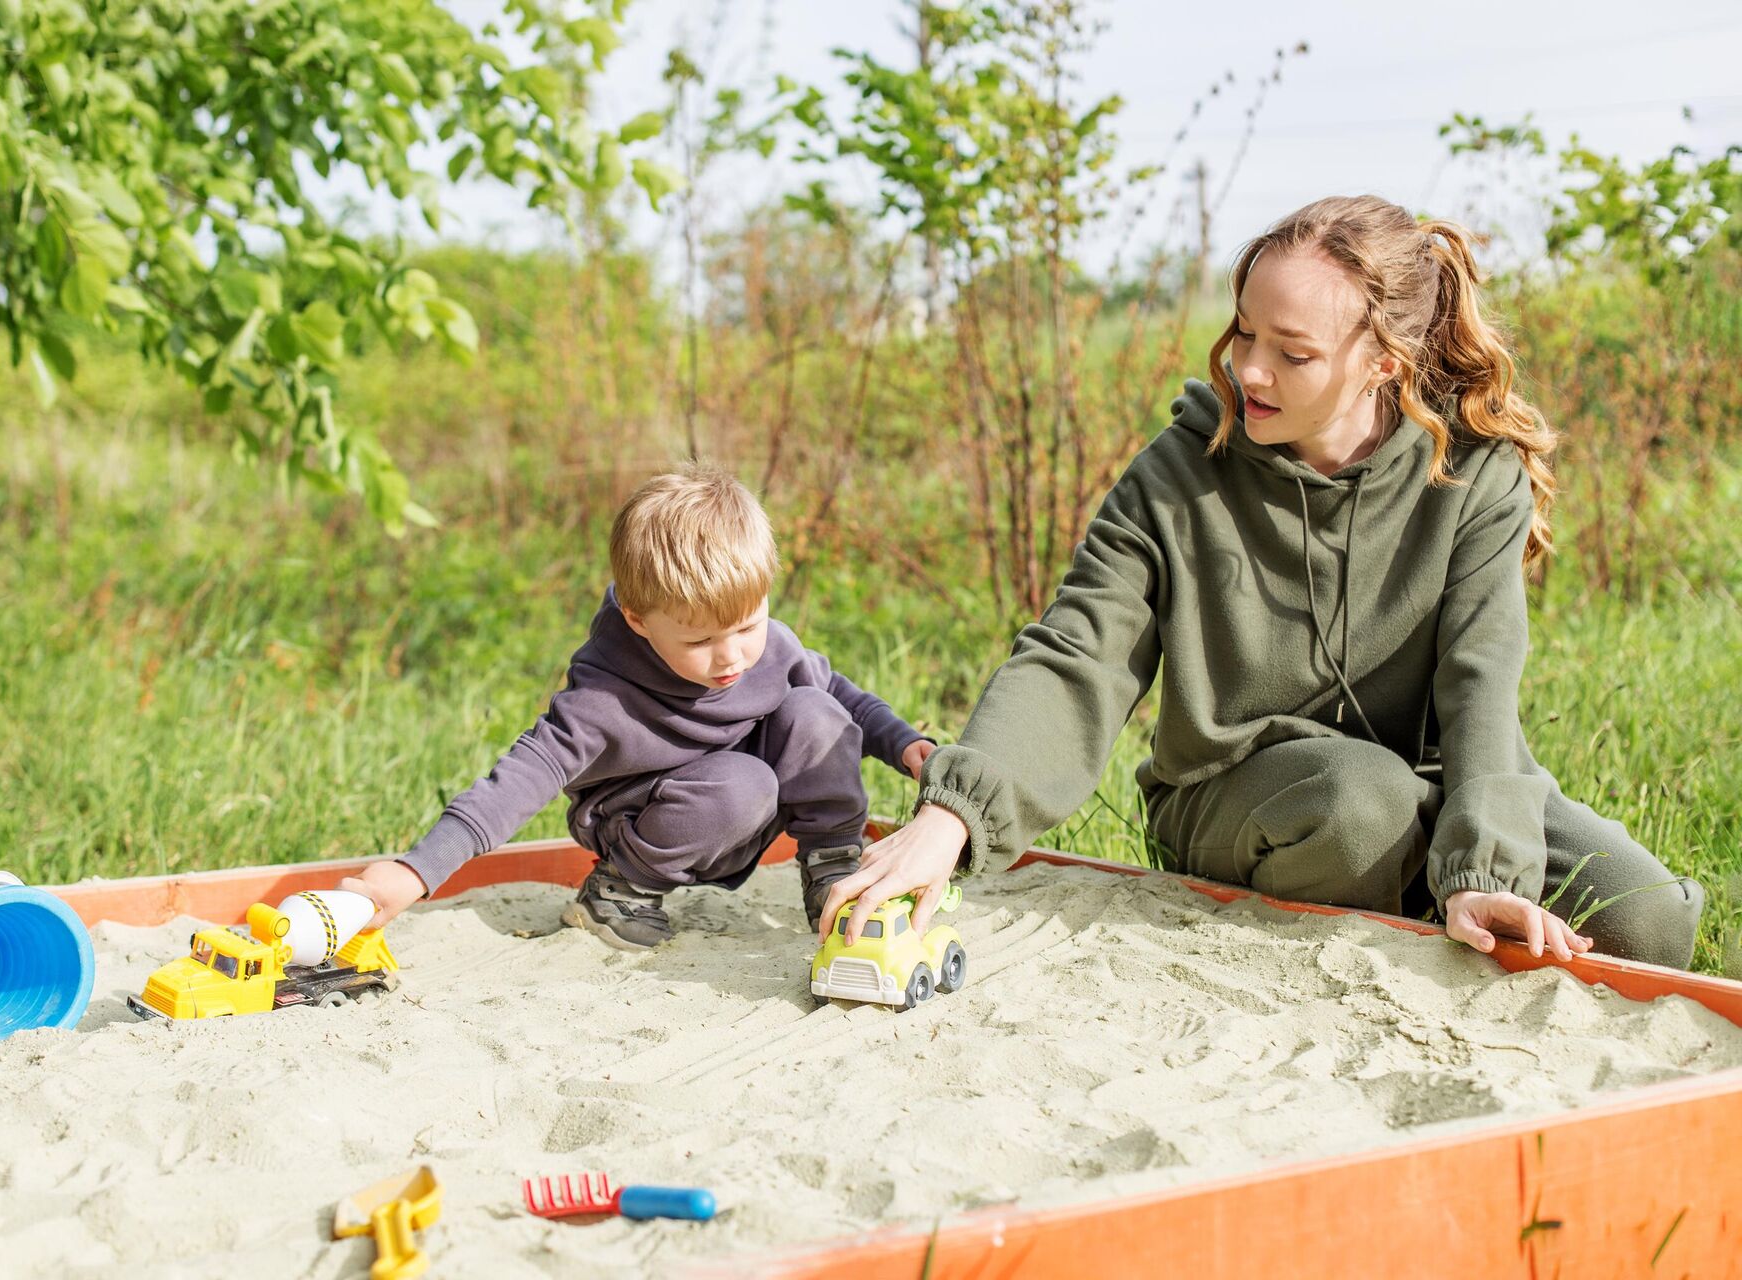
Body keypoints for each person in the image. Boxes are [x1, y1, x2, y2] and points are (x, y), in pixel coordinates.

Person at [820, 195, 1703, 970]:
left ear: (1384, 362)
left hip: (1431, 787)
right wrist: (953, 817)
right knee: (1362, 806)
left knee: (1645, 920)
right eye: (1244, 330)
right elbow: (1076, 657)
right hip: (1241, 792)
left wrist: (1483, 871)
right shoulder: (1178, 475)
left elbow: (1483, 688)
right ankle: (1408, 905)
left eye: (1292, 351)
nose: (1248, 368)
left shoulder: (1473, 476)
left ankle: (1438, 893)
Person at [343, 463, 933, 949]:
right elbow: (520, 777)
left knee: (816, 713)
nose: (731, 657)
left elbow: (845, 699)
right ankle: (619, 891)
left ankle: (831, 861)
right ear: (638, 620)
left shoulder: (769, 647)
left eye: (747, 626)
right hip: (642, 813)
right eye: (699, 641)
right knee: (742, 781)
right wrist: (416, 871)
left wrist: (907, 745)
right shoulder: (604, 695)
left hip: (742, 800)